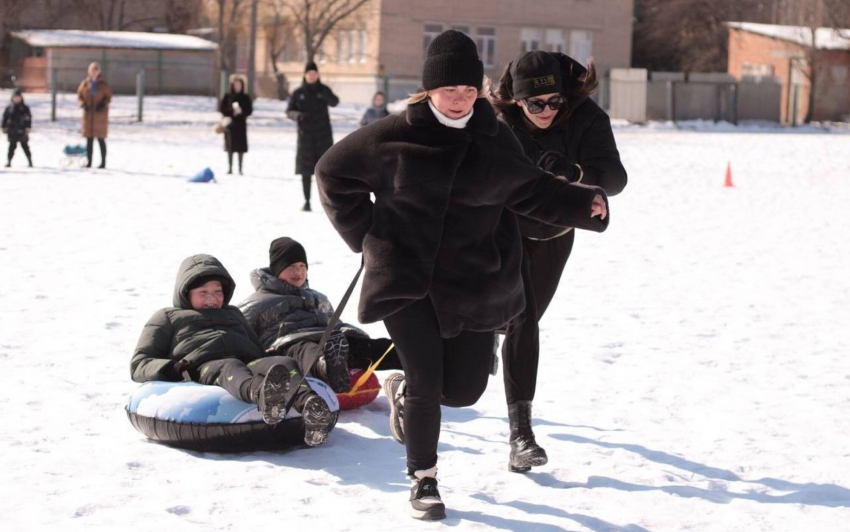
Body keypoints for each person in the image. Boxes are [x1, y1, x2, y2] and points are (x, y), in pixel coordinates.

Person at [315, 30, 609, 520]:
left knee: (466, 390)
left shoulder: (494, 138)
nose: (459, 100)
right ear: (429, 89)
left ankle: (404, 393)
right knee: (428, 376)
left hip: (471, 281)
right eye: (449, 90)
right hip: (406, 279)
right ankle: (423, 480)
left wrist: (583, 203)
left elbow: (529, 190)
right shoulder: (393, 135)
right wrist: (368, 237)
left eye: (469, 91)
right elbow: (331, 174)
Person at [488, 51, 628, 473]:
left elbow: (616, 176)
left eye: (555, 102)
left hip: (554, 234)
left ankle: (494, 333)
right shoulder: (500, 123)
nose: (547, 111)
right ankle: (521, 436)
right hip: (502, 228)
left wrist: (575, 173)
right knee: (522, 320)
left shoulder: (584, 116)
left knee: (524, 320)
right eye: (536, 104)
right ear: (516, 101)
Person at [130, 254, 335, 447]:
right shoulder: (168, 317)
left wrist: (270, 358)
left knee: (284, 363)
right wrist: (172, 368)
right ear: (185, 293)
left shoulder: (233, 313)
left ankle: (311, 406)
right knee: (231, 366)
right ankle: (265, 397)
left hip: (247, 360)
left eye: (217, 292)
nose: (212, 298)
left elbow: (257, 349)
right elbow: (139, 363)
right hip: (204, 365)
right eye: (203, 293)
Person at [237, 236, 403, 394]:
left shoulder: (317, 297)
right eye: (291, 267)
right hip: (291, 347)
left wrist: (350, 336)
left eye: (302, 266)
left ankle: (415, 360)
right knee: (307, 350)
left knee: (369, 347)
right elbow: (237, 335)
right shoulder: (257, 303)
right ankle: (328, 370)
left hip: (329, 343)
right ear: (277, 269)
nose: (298, 271)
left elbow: (334, 324)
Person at [286, 61, 339, 212]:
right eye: (309, 73)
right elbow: (289, 111)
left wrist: (325, 95)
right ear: (305, 75)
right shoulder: (298, 93)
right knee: (306, 170)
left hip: (323, 136)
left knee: (325, 171)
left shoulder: (323, 90)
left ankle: (328, 202)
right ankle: (307, 201)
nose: (311, 76)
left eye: (314, 73)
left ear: (317, 75)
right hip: (305, 137)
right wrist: (297, 116)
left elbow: (335, 102)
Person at [76, 62, 112, 169]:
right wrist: (82, 104)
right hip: (88, 116)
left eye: (96, 70)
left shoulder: (103, 84)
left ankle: (103, 162)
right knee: (89, 140)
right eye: (92, 70)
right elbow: (80, 96)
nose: (94, 72)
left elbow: (108, 97)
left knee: (101, 139)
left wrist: (103, 104)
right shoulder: (85, 83)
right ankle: (89, 161)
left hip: (100, 116)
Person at [219, 76, 253, 175]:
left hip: (241, 125)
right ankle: (230, 168)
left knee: (240, 147)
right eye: (236, 84)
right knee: (230, 147)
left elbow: (249, 110)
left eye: (239, 85)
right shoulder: (227, 96)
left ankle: (240, 168)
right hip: (230, 124)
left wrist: (241, 111)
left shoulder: (245, 97)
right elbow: (222, 109)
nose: (237, 86)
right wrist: (231, 111)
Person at [2, 89, 32, 168]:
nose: (16, 99)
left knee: (25, 146)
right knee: (11, 147)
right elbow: (5, 118)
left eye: (18, 97)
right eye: (15, 97)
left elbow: (28, 119)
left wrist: (28, 128)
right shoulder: (9, 108)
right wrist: (3, 127)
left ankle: (30, 161)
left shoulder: (25, 108)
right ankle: (9, 161)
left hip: (22, 130)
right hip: (12, 130)